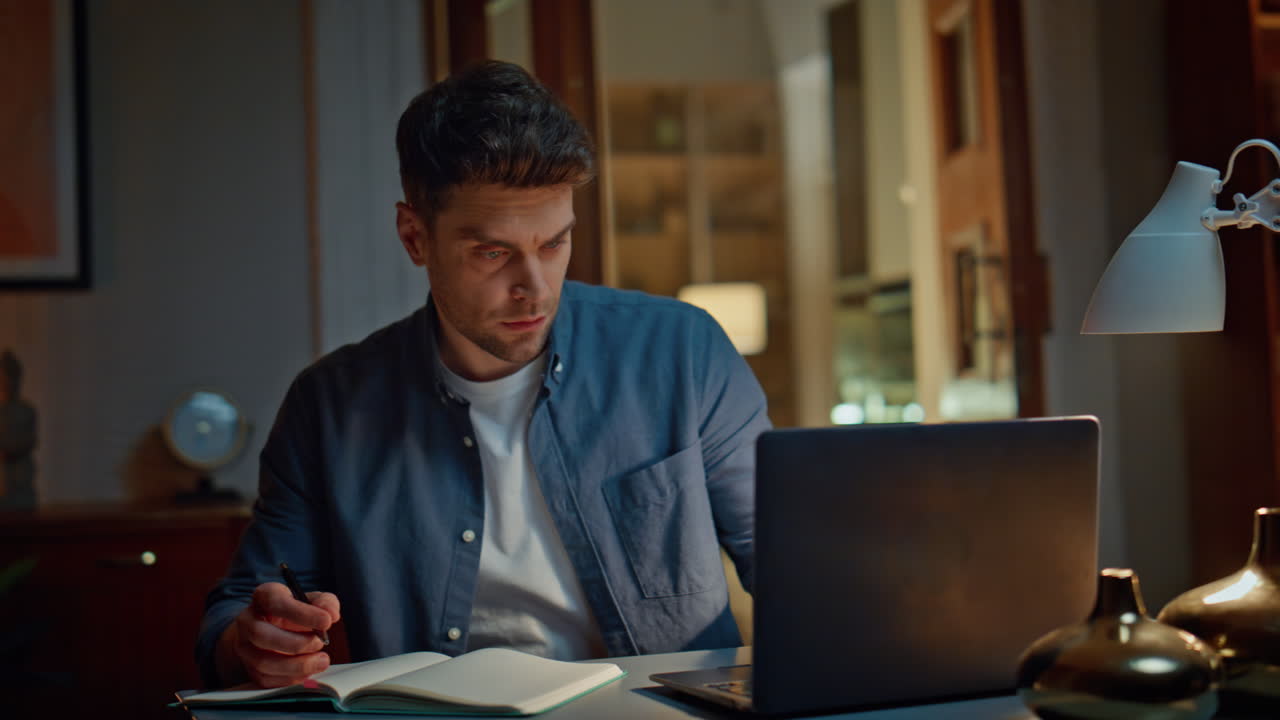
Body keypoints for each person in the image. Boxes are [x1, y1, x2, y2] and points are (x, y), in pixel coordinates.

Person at [197, 60, 771, 689]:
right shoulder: (330, 408)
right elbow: (240, 611)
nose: (535, 289)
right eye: (494, 253)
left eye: (554, 243)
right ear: (415, 237)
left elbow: (791, 568)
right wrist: (258, 642)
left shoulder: (683, 353)